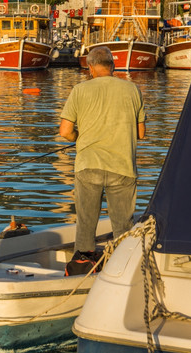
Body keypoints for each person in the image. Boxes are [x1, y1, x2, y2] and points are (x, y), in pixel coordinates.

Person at [59, 46, 146, 253]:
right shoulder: (132, 90)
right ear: (113, 66)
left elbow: (65, 131)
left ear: (90, 68)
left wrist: (78, 138)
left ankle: (82, 262)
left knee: (86, 226)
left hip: (88, 166)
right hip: (122, 167)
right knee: (123, 229)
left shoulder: (79, 90)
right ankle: (120, 269)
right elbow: (141, 134)